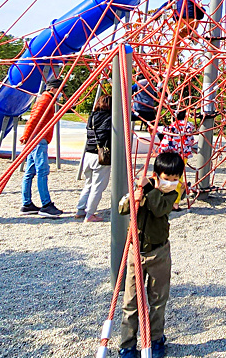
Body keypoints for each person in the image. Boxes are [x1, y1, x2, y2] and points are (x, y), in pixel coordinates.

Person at [118, 150, 184, 358]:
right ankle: (127, 344)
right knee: (131, 301)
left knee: (157, 300)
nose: (171, 183)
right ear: (156, 175)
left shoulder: (171, 194)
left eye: (175, 179)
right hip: (135, 251)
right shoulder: (142, 188)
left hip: (159, 252)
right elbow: (122, 208)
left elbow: (159, 208)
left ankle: (156, 340)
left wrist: (148, 190)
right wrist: (134, 198)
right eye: (167, 179)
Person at [20, 77, 65, 218]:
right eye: (60, 90)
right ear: (52, 89)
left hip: (37, 137)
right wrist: (26, 136)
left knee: (30, 170)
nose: (61, 93)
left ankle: (26, 203)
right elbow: (34, 118)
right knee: (42, 171)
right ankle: (46, 204)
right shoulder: (46, 100)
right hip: (39, 138)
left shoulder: (45, 99)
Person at [75, 90, 115, 222]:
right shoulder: (110, 119)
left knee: (88, 183)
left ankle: (80, 209)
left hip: (88, 153)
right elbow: (108, 135)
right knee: (98, 186)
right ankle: (90, 214)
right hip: (101, 155)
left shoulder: (92, 117)